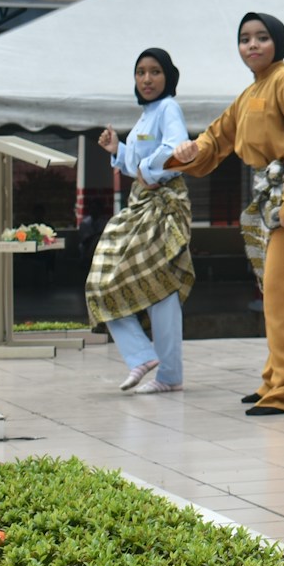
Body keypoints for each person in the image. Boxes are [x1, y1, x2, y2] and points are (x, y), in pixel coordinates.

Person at [169, 13, 284, 417]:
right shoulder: (251, 93)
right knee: (275, 294)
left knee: (283, 296)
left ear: (277, 43)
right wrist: (190, 151)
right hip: (271, 197)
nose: (252, 45)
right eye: (245, 39)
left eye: (262, 38)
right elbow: (217, 136)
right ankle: (272, 380)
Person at [86, 49, 193, 395]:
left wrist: (148, 170)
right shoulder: (146, 116)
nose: (146, 79)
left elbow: (176, 147)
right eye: (140, 73)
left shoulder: (168, 108)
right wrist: (117, 149)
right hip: (140, 206)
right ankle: (146, 358)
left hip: (164, 207)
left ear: (168, 77)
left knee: (160, 287)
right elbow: (136, 165)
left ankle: (165, 373)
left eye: (155, 72)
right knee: (107, 281)